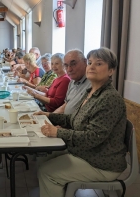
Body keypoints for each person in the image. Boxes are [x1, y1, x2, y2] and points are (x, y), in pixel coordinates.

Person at [35, 47, 127, 197]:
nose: (91, 67)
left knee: (48, 173)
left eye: (98, 63)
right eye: (90, 62)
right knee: (43, 158)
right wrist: (49, 115)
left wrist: (58, 132)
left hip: (101, 162)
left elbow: (92, 138)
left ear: (111, 70)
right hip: (87, 153)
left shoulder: (109, 99)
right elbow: (73, 118)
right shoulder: (91, 92)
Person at [53, 49, 91, 114]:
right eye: (66, 65)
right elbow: (66, 105)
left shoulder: (92, 84)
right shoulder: (72, 82)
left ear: (85, 62)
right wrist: (50, 116)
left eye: (73, 64)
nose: (69, 69)